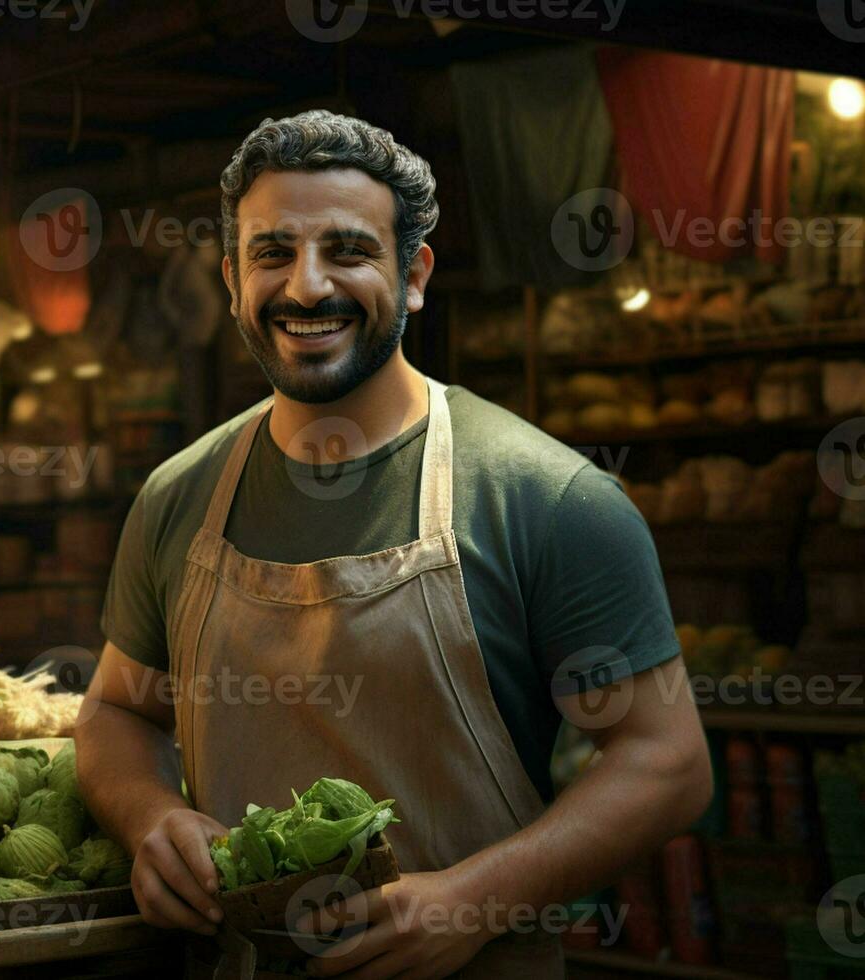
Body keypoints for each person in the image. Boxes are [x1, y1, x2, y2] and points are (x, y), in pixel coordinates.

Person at [76, 110, 712, 979]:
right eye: (272, 253)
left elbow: (666, 762)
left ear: (413, 275)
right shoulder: (178, 496)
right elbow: (117, 711)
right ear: (231, 280)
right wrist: (148, 817)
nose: (306, 288)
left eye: (346, 251)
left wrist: (473, 897)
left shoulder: (548, 498)